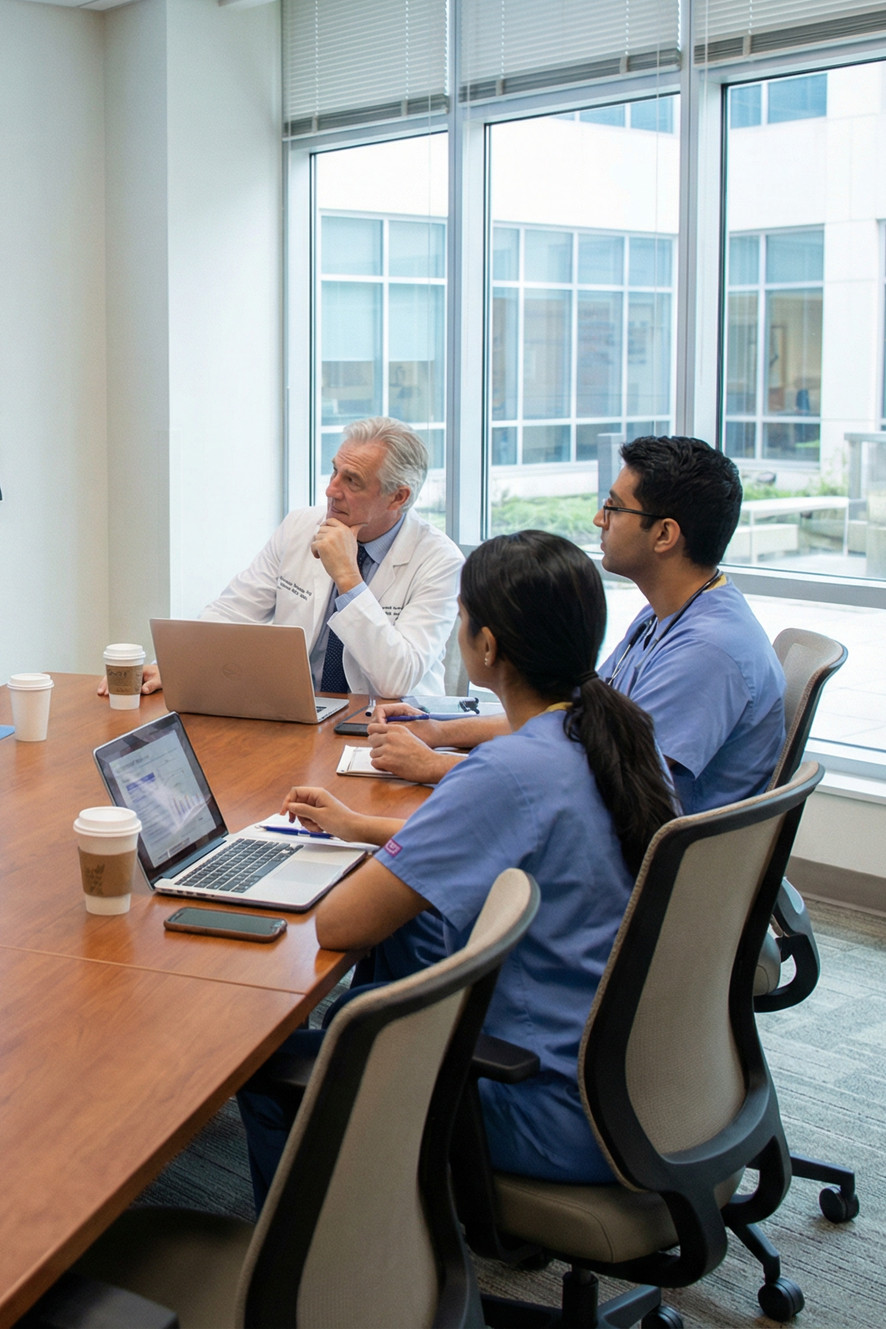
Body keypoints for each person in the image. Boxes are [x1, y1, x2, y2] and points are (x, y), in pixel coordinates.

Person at [237, 531, 676, 1207]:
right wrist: (364, 828)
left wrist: (359, 854)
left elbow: (339, 924)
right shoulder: (610, 735)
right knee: (389, 964)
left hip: (543, 1104)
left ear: (489, 645)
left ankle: (316, 1283)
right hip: (630, 1080)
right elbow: (520, 836)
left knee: (271, 1063)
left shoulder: (506, 770)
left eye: (466, 617)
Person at [365, 436, 786, 815]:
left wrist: (435, 766)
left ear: (664, 535)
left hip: (629, 862)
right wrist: (437, 731)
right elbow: (574, 719)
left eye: (614, 507)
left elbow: (599, 779)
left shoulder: (708, 651)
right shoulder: (667, 615)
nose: (598, 519)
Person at [100, 416, 462, 702]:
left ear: (398, 498)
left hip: (386, 731)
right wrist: (176, 667)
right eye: (335, 470)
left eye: (352, 481)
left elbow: (395, 679)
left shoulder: (439, 562)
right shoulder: (300, 526)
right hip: (299, 715)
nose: (331, 490)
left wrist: (349, 579)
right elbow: (234, 612)